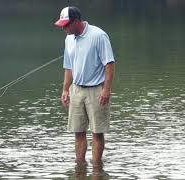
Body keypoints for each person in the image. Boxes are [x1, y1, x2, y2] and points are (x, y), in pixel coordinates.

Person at [55, 6, 115, 165]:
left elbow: (109, 64)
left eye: (66, 25)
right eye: (62, 25)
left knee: (97, 132)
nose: (64, 28)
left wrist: (106, 90)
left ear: (76, 21)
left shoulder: (98, 35)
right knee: (78, 132)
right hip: (76, 90)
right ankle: (80, 167)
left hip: (97, 90)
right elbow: (68, 67)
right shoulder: (68, 39)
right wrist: (65, 89)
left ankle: (96, 169)